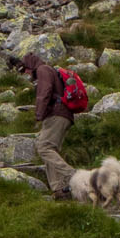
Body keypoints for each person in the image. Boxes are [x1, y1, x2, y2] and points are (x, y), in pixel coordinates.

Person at [12, 54, 76, 199]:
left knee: (44, 147)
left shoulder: (43, 70)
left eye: (25, 70)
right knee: (49, 149)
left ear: (29, 65)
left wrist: (39, 114)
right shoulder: (49, 70)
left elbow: (44, 92)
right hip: (62, 114)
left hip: (56, 114)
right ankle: (59, 189)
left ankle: (72, 174)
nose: (26, 74)